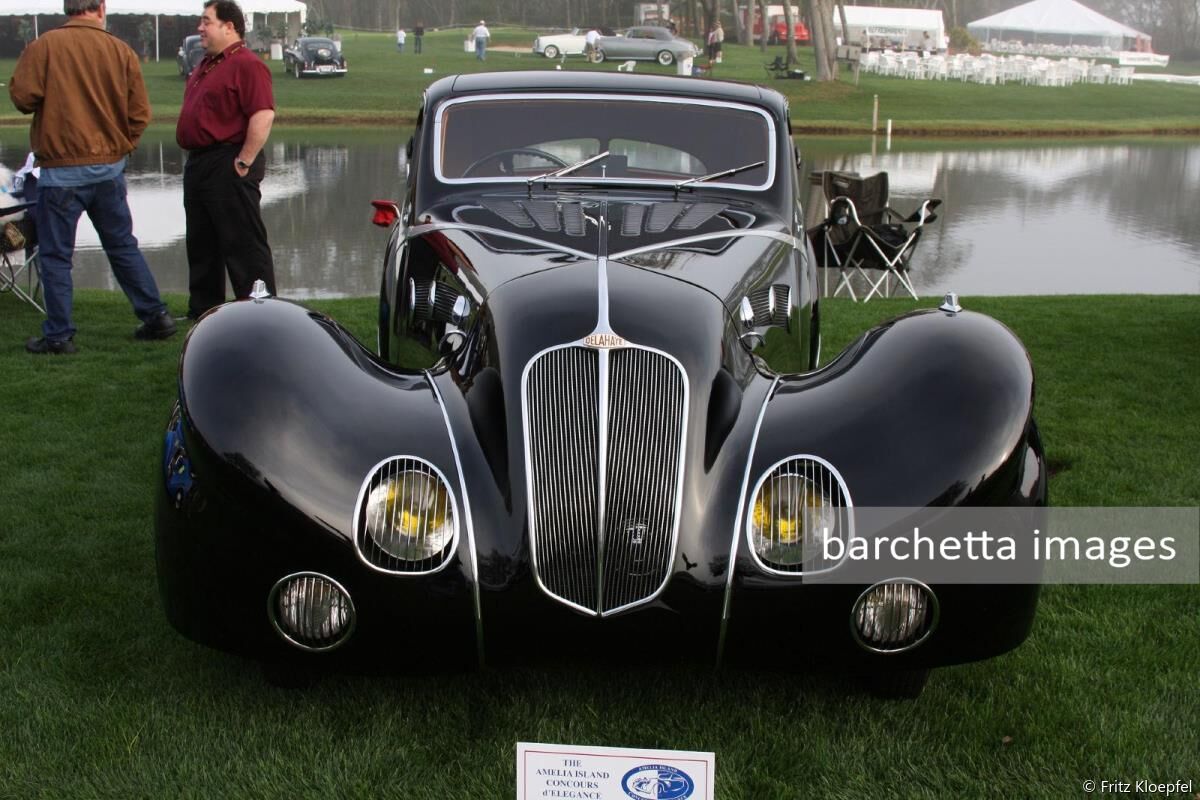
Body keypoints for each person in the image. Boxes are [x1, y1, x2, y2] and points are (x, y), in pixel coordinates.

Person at [8, 0, 176, 355]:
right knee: (121, 246)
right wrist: (122, 147)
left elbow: (22, 98)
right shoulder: (121, 50)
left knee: (55, 257)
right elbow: (140, 113)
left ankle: (59, 336)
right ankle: (156, 316)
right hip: (108, 171)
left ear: (67, 7)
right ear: (101, 7)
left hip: (60, 173)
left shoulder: (45, 47)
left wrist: (28, 62)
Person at [176, 0, 276, 321]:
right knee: (201, 242)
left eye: (206, 21)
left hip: (228, 162)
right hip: (200, 164)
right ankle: (203, 313)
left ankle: (261, 313)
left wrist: (244, 161)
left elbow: (262, 115)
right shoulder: (208, 63)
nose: (200, 28)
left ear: (229, 26)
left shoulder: (247, 64)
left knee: (243, 243)